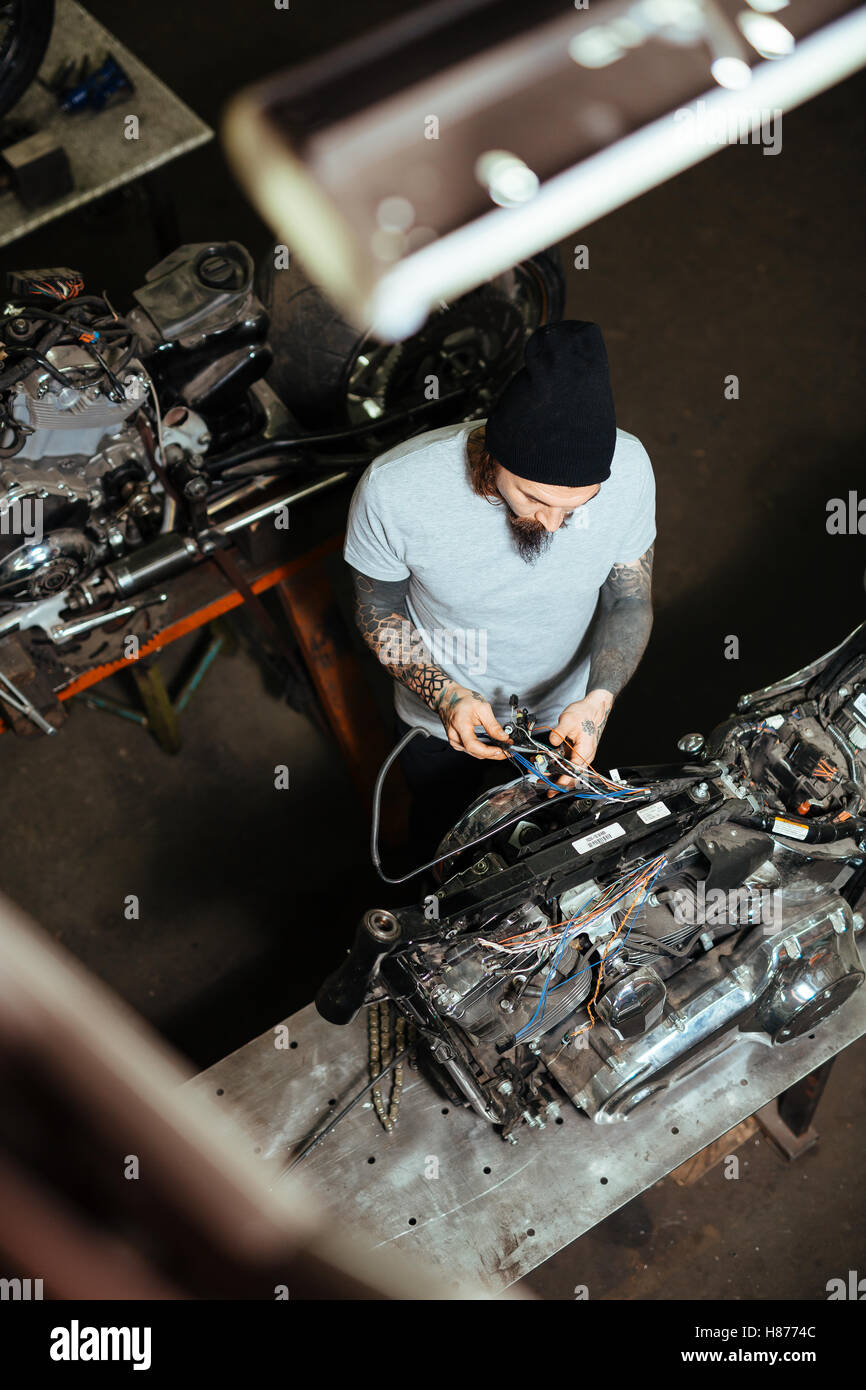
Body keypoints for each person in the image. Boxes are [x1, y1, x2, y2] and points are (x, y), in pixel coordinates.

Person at [344, 319, 656, 860]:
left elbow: (629, 596)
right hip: (443, 723)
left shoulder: (630, 470)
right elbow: (378, 608)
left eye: (577, 505)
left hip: (570, 716)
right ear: (495, 459)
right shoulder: (395, 490)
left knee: (559, 852)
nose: (555, 523)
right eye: (534, 499)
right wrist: (445, 697)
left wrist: (599, 699)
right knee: (444, 848)